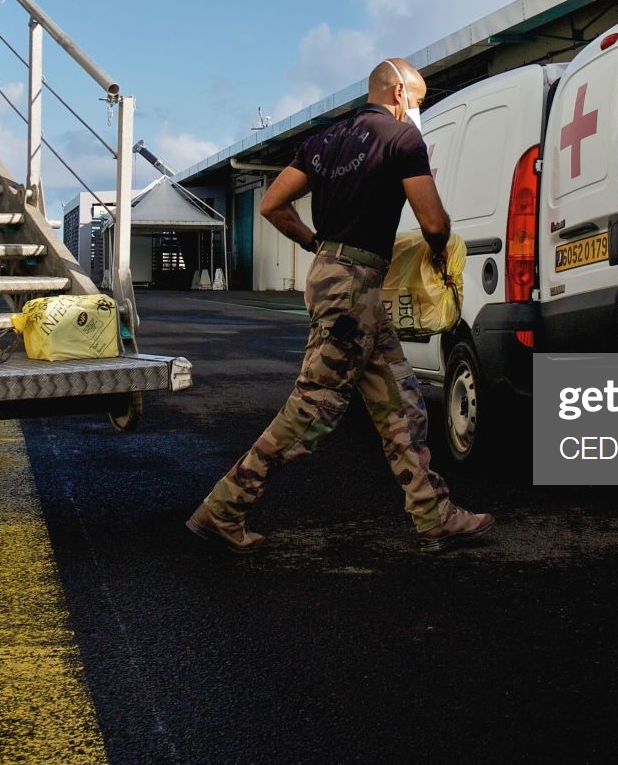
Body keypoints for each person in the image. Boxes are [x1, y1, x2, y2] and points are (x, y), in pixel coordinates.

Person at [186, 58, 494, 553]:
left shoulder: (324, 141)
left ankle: (433, 514)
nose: (418, 109)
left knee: (402, 402)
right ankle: (223, 508)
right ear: (396, 92)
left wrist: (315, 244)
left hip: (339, 279)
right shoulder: (402, 139)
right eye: (418, 99)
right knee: (315, 407)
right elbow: (434, 222)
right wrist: (437, 255)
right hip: (354, 289)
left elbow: (272, 205)